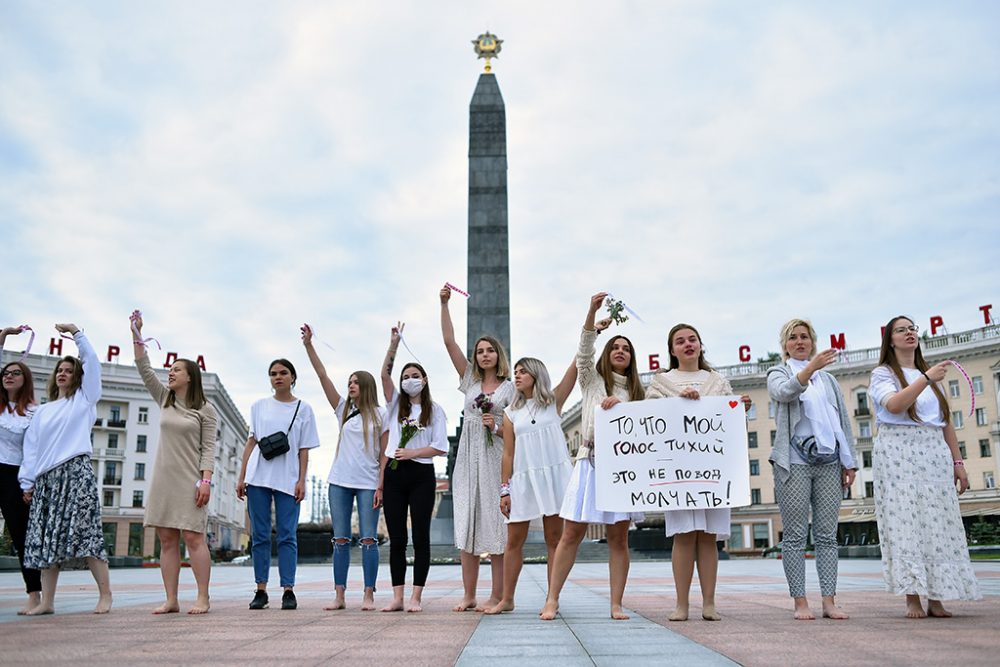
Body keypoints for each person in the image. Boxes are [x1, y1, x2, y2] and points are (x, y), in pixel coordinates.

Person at [540, 293, 646, 621]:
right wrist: (591, 314)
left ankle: (616, 603)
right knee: (571, 533)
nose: (620, 351)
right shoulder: (592, 381)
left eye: (626, 349)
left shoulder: (640, 393)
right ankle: (552, 599)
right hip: (589, 461)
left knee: (619, 537)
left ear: (632, 358)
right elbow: (584, 353)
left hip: (623, 468)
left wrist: (623, 408)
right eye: (615, 347)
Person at [868, 315, 981, 618]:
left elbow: (945, 422)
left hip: (933, 452)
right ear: (890, 339)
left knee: (937, 522)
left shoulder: (928, 375)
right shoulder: (884, 374)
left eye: (912, 329)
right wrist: (926, 379)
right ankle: (912, 596)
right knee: (906, 521)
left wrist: (958, 463)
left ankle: (938, 595)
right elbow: (894, 405)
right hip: (898, 452)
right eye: (901, 330)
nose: (909, 333)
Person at [645, 323, 750, 622]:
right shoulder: (662, 382)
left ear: (701, 345)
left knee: (708, 536)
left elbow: (731, 427)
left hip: (713, 471)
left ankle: (709, 602)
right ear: (672, 350)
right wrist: (678, 403)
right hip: (678, 472)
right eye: (680, 341)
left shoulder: (717, 381)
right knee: (683, 535)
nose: (688, 344)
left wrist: (738, 409)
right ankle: (681, 604)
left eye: (693, 339)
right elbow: (650, 421)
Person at [18, 324, 112, 615]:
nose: (63, 373)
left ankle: (105, 595)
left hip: (76, 473)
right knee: (48, 540)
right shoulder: (43, 411)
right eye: (60, 370)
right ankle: (47, 602)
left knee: (87, 535)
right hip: (47, 480)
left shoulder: (83, 401)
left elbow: (93, 364)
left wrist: (77, 335)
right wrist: (27, 482)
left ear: (77, 377)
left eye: (69, 370)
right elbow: (31, 449)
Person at [767, 318, 858, 620]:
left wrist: (850, 461)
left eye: (805, 337)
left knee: (827, 535)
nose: (800, 342)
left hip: (829, 462)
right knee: (793, 535)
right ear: (785, 345)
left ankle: (829, 601)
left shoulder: (828, 380)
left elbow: (842, 420)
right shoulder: (778, 371)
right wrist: (809, 368)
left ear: (813, 341)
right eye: (793, 338)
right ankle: (800, 601)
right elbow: (785, 392)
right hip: (793, 463)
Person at [132, 313, 218, 615]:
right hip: (162, 479)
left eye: (176, 370)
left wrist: (205, 481)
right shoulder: (164, 399)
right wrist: (137, 333)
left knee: (193, 537)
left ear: (190, 376)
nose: (170, 373)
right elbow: (144, 368)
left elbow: (209, 449)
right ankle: (171, 599)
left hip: (190, 480)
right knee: (166, 539)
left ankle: (203, 597)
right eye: (170, 369)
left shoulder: (206, 409)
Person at [301, 324, 388, 611]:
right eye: (349, 382)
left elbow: (385, 455)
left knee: (368, 539)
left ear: (366, 387)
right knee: (339, 539)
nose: (350, 386)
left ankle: (368, 594)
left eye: (355, 382)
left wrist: (380, 485)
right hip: (339, 481)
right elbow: (322, 375)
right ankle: (339, 595)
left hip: (367, 483)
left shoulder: (380, 414)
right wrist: (309, 345)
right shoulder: (343, 410)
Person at [439, 285, 515, 612]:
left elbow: (516, 432)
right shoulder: (470, 382)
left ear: (499, 355)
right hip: (468, 458)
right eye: (480, 350)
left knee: (496, 527)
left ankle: (498, 595)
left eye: (490, 350)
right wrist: (444, 304)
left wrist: (495, 427)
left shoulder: (510, 389)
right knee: (467, 522)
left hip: (495, 457)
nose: (484, 354)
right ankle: (469, 594)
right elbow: (449, 343)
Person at [484, 356, 577, 615]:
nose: (517, 375)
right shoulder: (511, 413)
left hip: (554, 478)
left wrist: (591, 323)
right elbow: (508, 454)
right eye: (516, 371)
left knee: (554, 539)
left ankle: (552, 599)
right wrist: (505, 489)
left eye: (523, 371)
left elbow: (576, 365)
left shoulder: (554, 401)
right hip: (523, 479)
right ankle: (507, 599)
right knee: (513, 540)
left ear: (537, 374)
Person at [236, 359, 320, 610]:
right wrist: (242, 477)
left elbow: (304, 449)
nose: (278, 377)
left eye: (283, 373)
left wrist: (302, 480)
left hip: (288, 478)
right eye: (273, 374)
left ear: (293, 377)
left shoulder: (304, 409)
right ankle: (260, 590)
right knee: (260, 536)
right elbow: (251, 443)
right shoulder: (259, 406)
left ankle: (288, 590)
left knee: (287, 536)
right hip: (258, 476)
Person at [380, 323, 448, 612]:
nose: (410, 380)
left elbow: (440, 447)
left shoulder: (436, 411)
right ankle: (397, 596)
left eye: (414, 376)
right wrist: (394, 344)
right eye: (406, 377)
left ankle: (416, 597)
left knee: (420, 536)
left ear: (424, 379)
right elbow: (383, 374)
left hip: (421, 474)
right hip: (394, 473)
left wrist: (412, 452)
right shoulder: (396, 405)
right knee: (398, 537)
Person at [0, 326, 41, 613]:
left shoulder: (33, 412)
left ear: (25, 380)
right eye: (5, 372)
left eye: (15, 373)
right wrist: (4, 335)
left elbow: (33, 452)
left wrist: (29, 484)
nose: (8, 376)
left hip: (13, 476)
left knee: (20, 533)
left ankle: (34, 594)